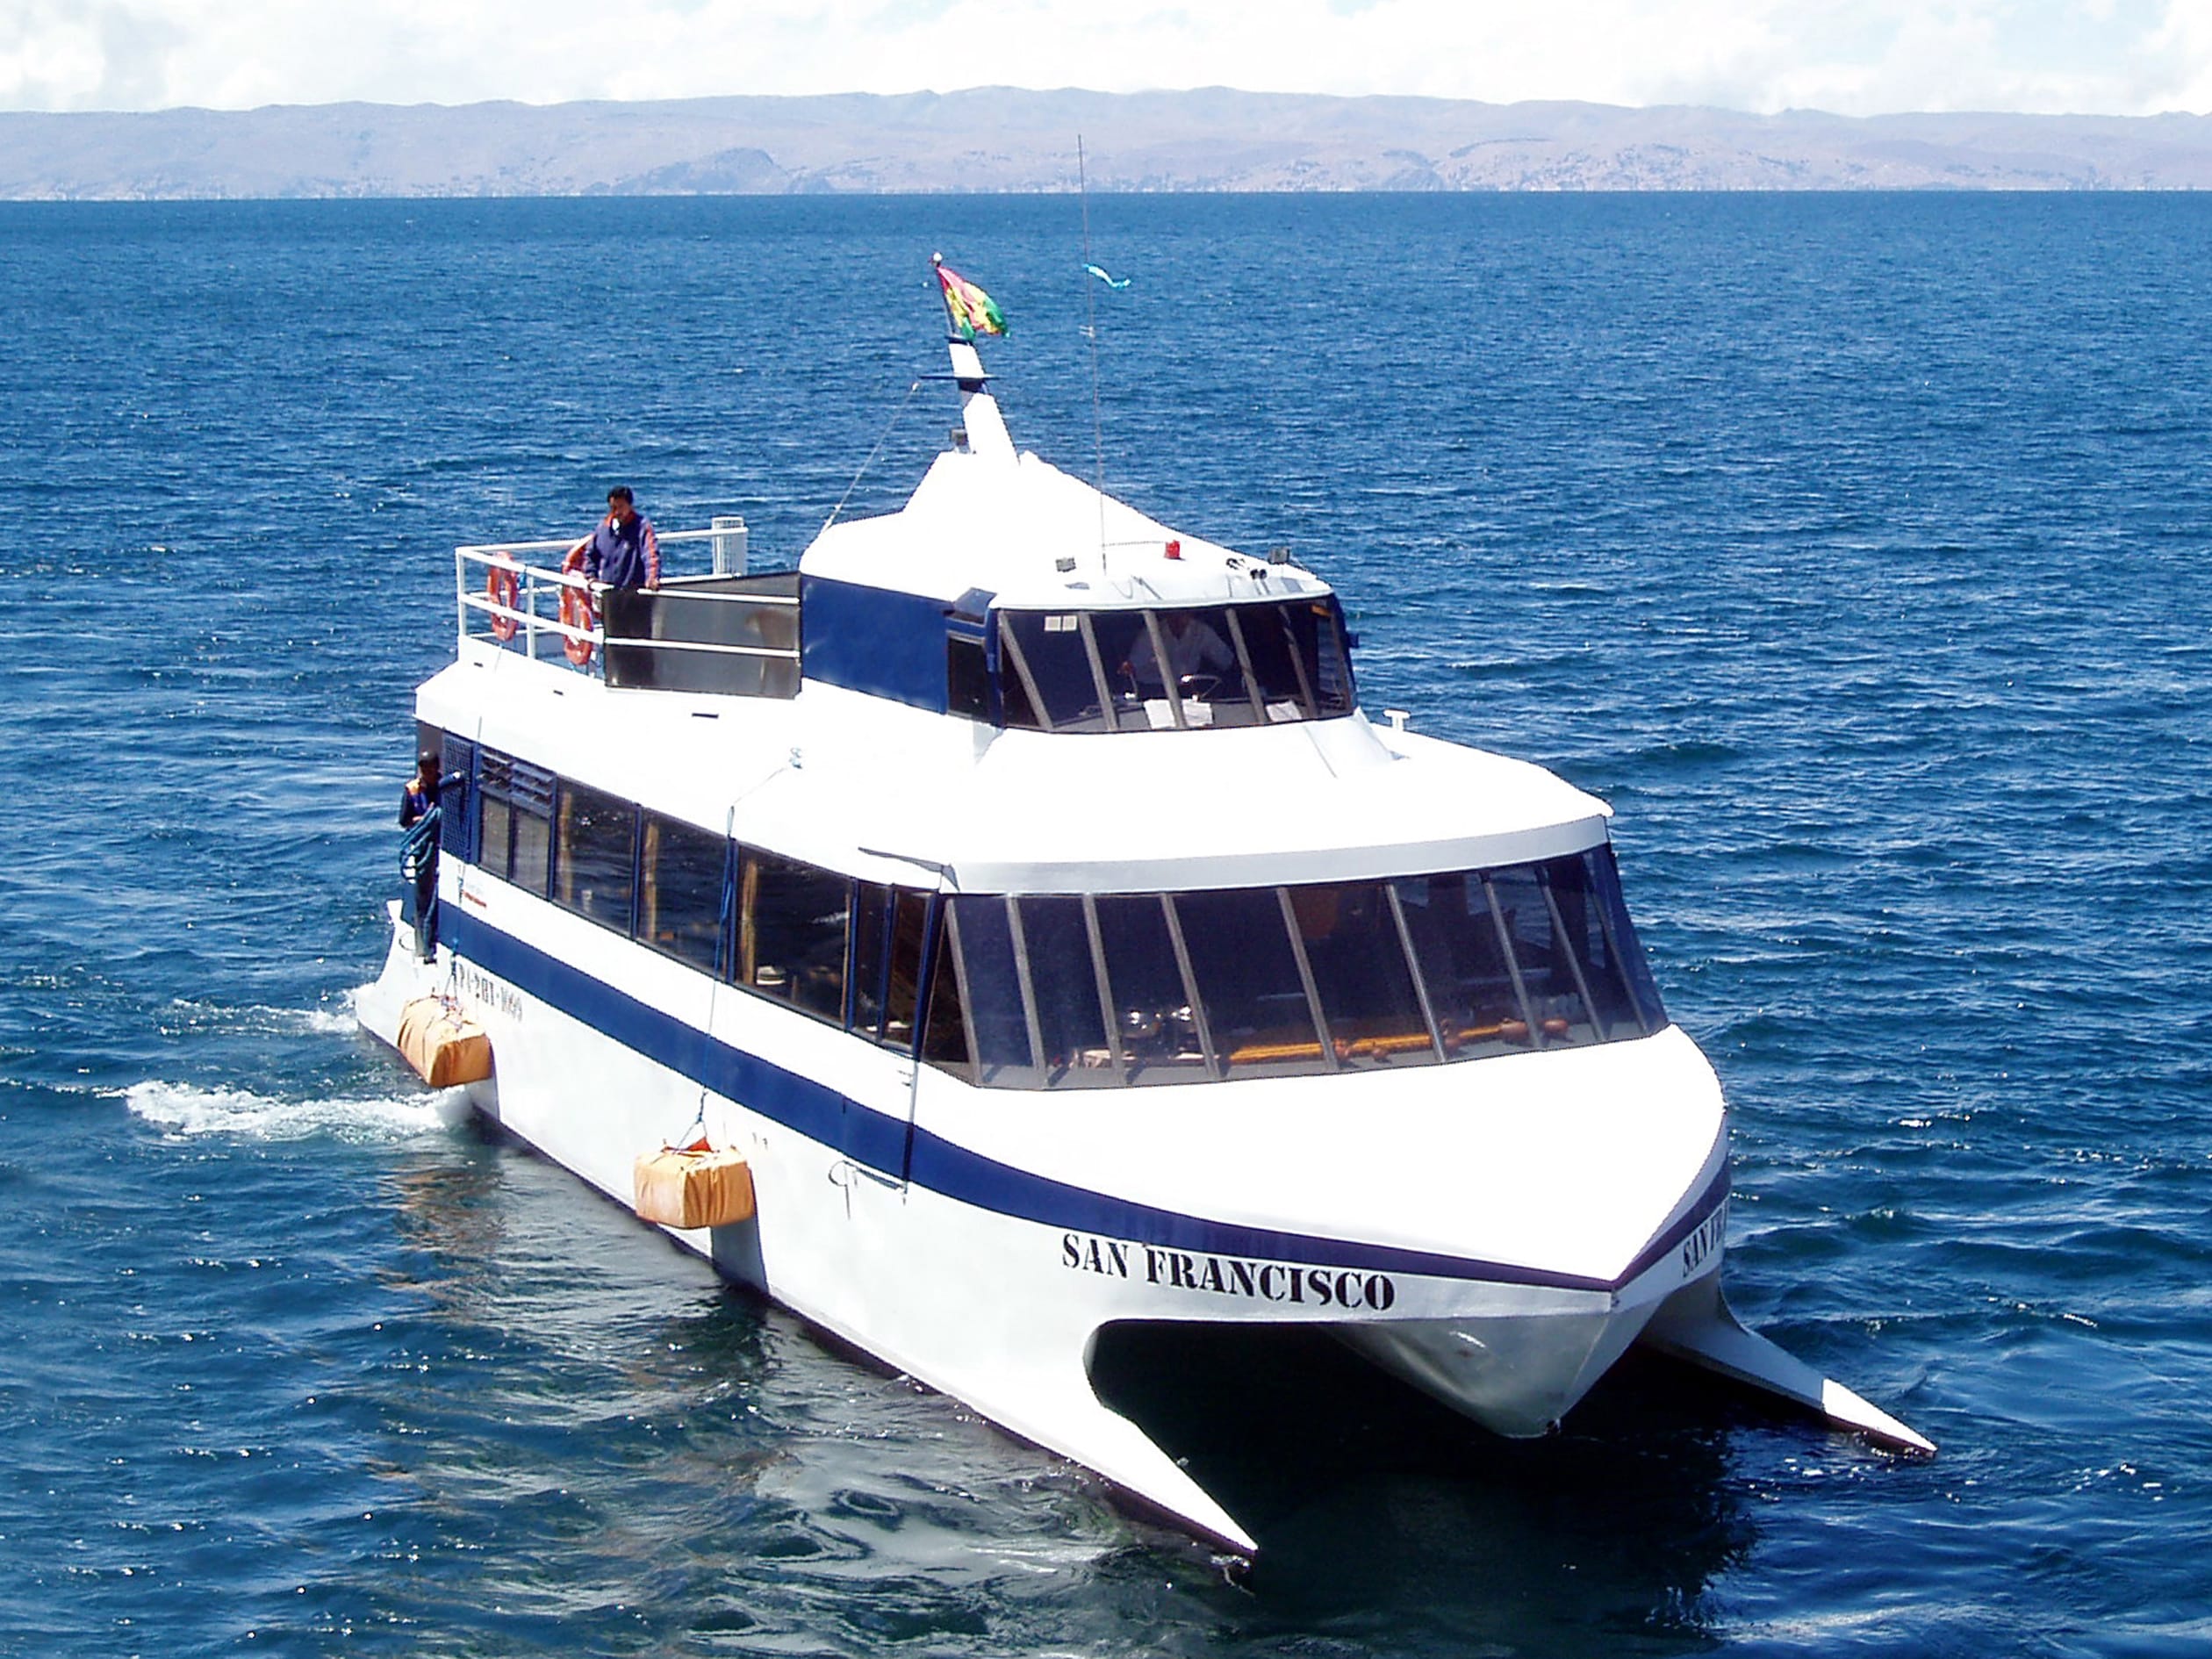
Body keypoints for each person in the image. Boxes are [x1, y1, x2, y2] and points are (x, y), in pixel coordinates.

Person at [1124, 609, 1236, 699]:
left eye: (1184, 612)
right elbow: (1131, 666)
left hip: (1190, 690)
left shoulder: (1201, 631)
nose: (1179, 616)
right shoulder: (1151, 633)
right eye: (1174, 612)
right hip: (1154, 691)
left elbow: (1227, 661)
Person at [399, 750, 443, 960]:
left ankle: (436, 936)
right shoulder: (412, 790)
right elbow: (404, 820)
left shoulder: (444, 786)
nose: (427, 773)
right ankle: (424, 945)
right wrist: (425, 819)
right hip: (423, 846)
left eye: (431, 769)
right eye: (423, 769)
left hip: (442, 845)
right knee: (423, 895)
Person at [577, 485, 660, 591]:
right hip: (607, 592)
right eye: (613, 508)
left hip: (635, 594)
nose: (617, 512)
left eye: (620, 507)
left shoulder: (642, 527)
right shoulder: (603, 527)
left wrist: (652, 578)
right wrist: (591, 576)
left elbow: (651, 555)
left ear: (630, 505)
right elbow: (591, 555)